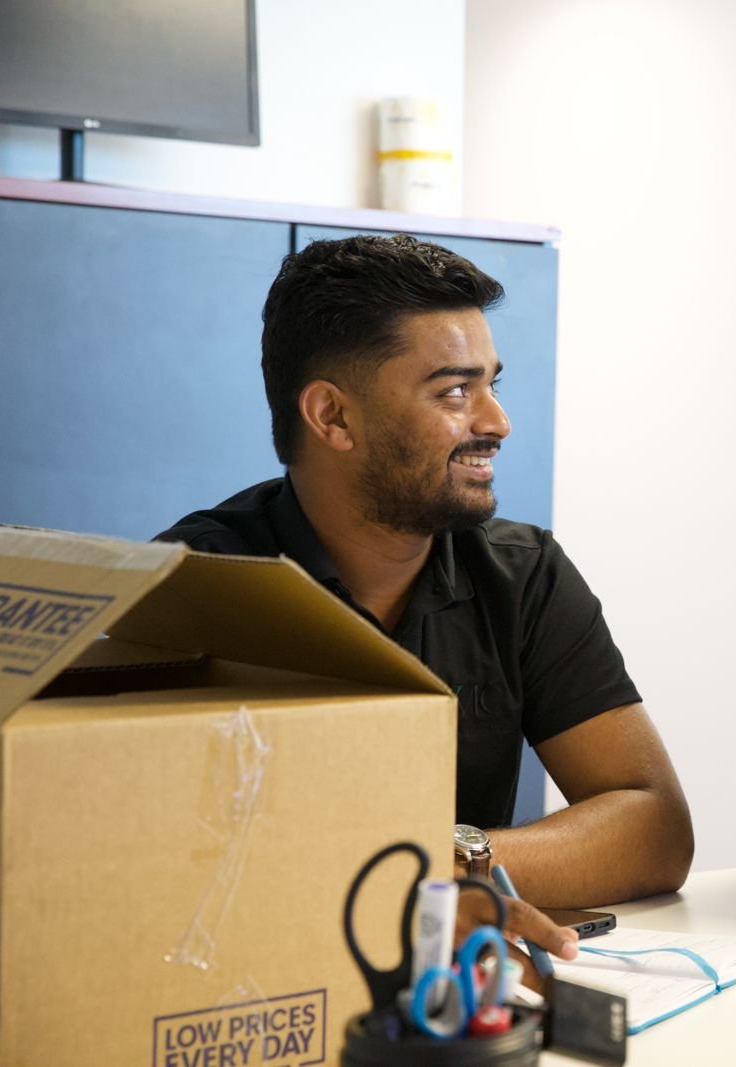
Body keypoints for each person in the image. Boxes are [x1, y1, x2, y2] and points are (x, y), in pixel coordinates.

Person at [159, 234, 693, 958]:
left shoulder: (524, 573)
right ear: (332, 417)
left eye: (492, 384)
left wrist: (452, 862)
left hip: (452, 992)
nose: (496, 422)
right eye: (454, 392)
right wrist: (406, 875)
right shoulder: (198, 585)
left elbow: (655, 827)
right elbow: (147, 855)